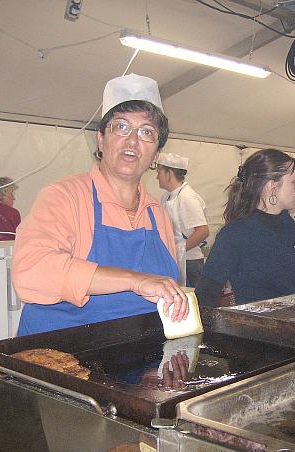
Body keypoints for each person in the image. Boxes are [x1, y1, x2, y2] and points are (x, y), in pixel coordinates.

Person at [12, 74, 188, 335]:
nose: (132, 141)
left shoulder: (157, 213)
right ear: (101, 139)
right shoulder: (64, 196)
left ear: (156, 154)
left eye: (147, 132)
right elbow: (30, 271)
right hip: (60, 357)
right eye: (121, 127)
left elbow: (164, 293)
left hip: (135, 359)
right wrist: (134, 281)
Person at [195, 149, 295, 307]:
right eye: (294, 181)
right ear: (272, 187)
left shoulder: (287, 223)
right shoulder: (235, 235)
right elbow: (206, 292)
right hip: (260, 327)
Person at [156, 153, 209, 288]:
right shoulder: (166, 197)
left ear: (169, 173)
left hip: (190, 263)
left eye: (159, 172)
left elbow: (203, 231)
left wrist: (179, 250)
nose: (157, 177)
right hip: (176, 259)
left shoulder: (187, 197)